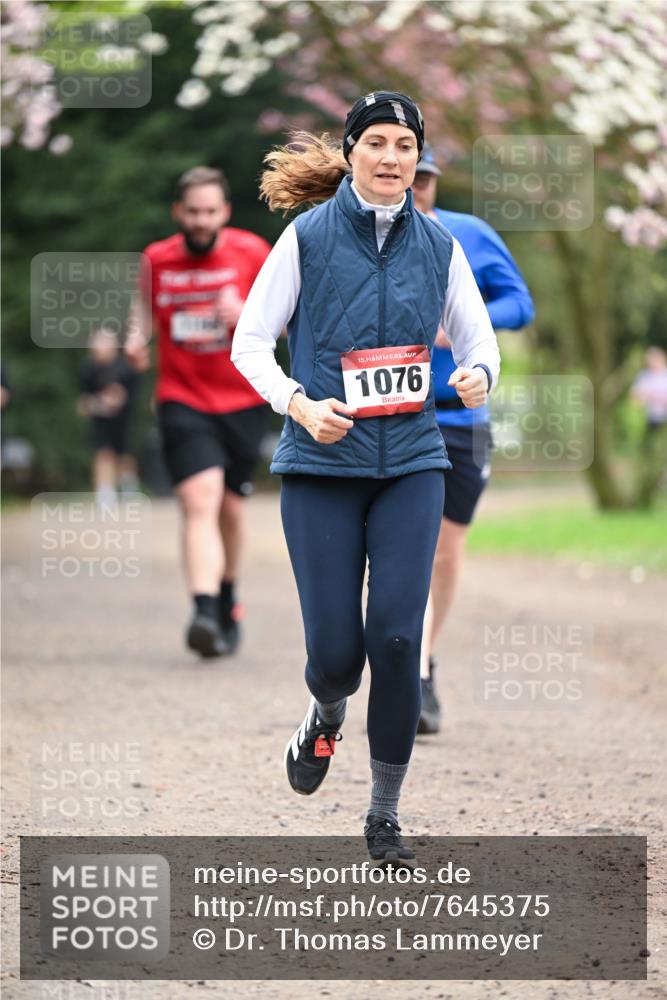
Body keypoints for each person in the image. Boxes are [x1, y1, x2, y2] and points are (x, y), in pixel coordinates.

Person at [231, 93, 500, 864]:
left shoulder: (440, 244)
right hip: (321, 465)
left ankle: (383, 815)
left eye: (404, 145)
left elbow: (480, 341)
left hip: (412, 461)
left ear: (419, 159)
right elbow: (250, 344)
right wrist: (299, 405)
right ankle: (322, 717)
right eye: (376, 143)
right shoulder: (306, 238)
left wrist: (478, 371)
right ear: (350, 152)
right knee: (337, 657)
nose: (391, 158)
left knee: (395, 636)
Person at [411, 144, 534, 734]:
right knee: (402, 544)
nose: (416, 189)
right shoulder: (362, 240)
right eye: (409, 178)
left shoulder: (470, 235)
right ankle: (409, 672)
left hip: (460, 417)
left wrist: (462, 323)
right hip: (394, 414)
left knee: (443, 551)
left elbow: (521, 303)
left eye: (425, 179)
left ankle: (424, 659)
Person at [125, 167, 271, 659]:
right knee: (199, 499)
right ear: (178, 214)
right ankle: (204, 611)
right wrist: (135, 339)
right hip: (181, 396)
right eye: (193, 212)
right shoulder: (157, 258)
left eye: (210, 211)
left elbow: (290, 319)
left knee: (230, 508)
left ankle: (228, 595)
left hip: (244, 399)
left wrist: (246, 312)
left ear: (225, 212)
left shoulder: (253, 252)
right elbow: (143, 312)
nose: (202, 220)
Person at [78, 329, 141, 508]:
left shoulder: (125, 368)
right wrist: (97, 403)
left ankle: (128, 487)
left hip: (123, 420)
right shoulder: (88, 369)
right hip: (100, 421)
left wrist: (115, 400)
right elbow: (84, 401)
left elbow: (128, 396)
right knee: (103, 454)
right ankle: (105, 493)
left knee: (124, 456)